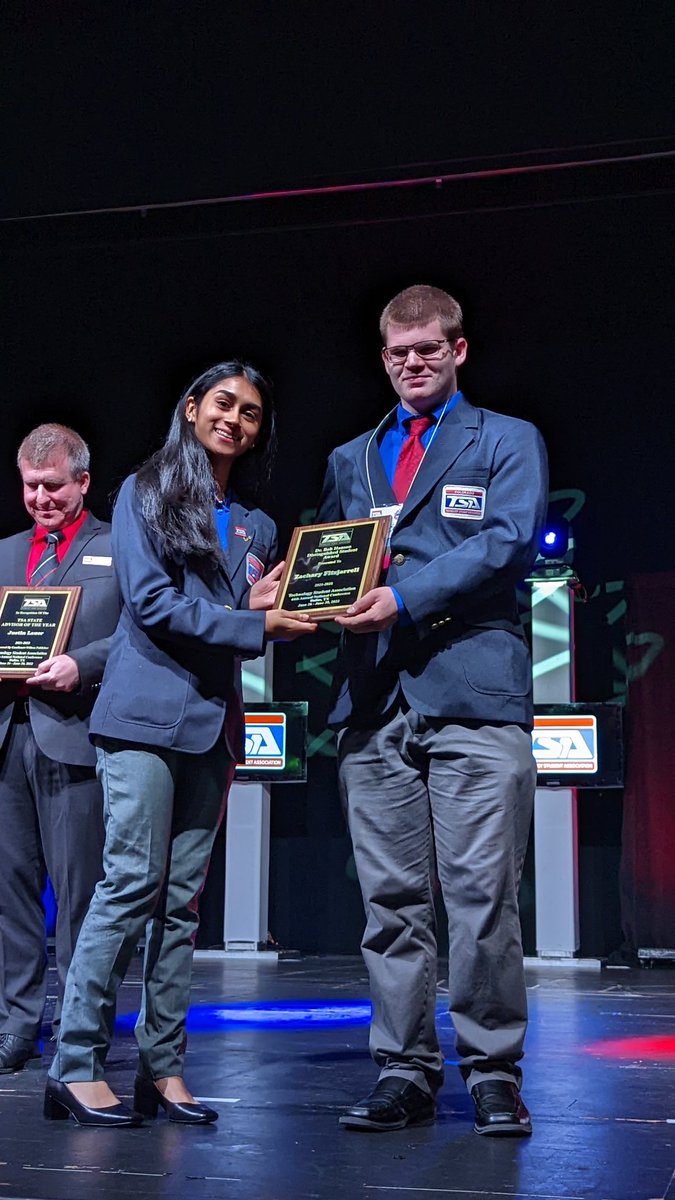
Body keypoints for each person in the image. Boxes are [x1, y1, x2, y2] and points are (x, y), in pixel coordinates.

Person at [45, 361, 317, 1127]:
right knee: (130, 884)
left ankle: (161, 1069)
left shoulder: (257, 524)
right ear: (192, 408)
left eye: (251, 412)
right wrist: (254, 621)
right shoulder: (144, 493)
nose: (234, 419)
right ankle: (74, 1065)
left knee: (180, 906)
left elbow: (232, 617)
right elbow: (154, 605)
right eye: (222, 403)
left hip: (212, 723)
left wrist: (278, 606)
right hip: (141, 717)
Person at [316, 285, 548, 1136]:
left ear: (457, 351)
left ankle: (491, 1072)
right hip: (374, 700)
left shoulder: (506, 439)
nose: (412, 363)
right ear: (382, 359)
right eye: (398, 352)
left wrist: (404, 598)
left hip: (472, 693)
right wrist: (302, 594)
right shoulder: (351, 457)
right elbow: (336, 558)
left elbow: (506, 541)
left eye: (427, 349)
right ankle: (404, 1070)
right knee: (390, 902)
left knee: (482, 895)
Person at [0, 424, 120, 1075]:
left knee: (79, 895)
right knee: (11, 891)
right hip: (7, 736)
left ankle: (78, 1031)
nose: (41, 499)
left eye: (52, 486)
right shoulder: (4, 553)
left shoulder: (117, 547)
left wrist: (83, 664)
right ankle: (17, 1024)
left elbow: (138, 633)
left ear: (83, 482)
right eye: (30, 487)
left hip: (75, 735)